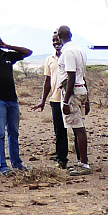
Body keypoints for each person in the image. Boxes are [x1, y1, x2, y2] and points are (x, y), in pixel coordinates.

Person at [0, 31, 32, 174]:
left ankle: (17, 163)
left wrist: (8, 46)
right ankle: (2, 166)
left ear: (0, 40)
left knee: (13, 132)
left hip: (12, 100)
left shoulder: (7, 55)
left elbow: (28, 52)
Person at [34, 30, 73, 168]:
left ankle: (82, 161)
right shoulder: (50, 59)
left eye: (58, 40)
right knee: (60, 131)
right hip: (55, 99)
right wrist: (43, 100)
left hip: (70, 98)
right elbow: (47, 81)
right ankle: (61, 160)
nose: (56, 43)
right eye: (54, 41)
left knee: (75, 128)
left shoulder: (69, 55)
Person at [56, 25, 90, 174]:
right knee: (78, 127)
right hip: (81, 87)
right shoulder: (79, 49)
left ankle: (84, 164)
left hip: (73, 91)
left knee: (78, 128)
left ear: (59, 36)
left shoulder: (68, 52)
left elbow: (71, 76)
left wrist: (65, 101)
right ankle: (81, 162)